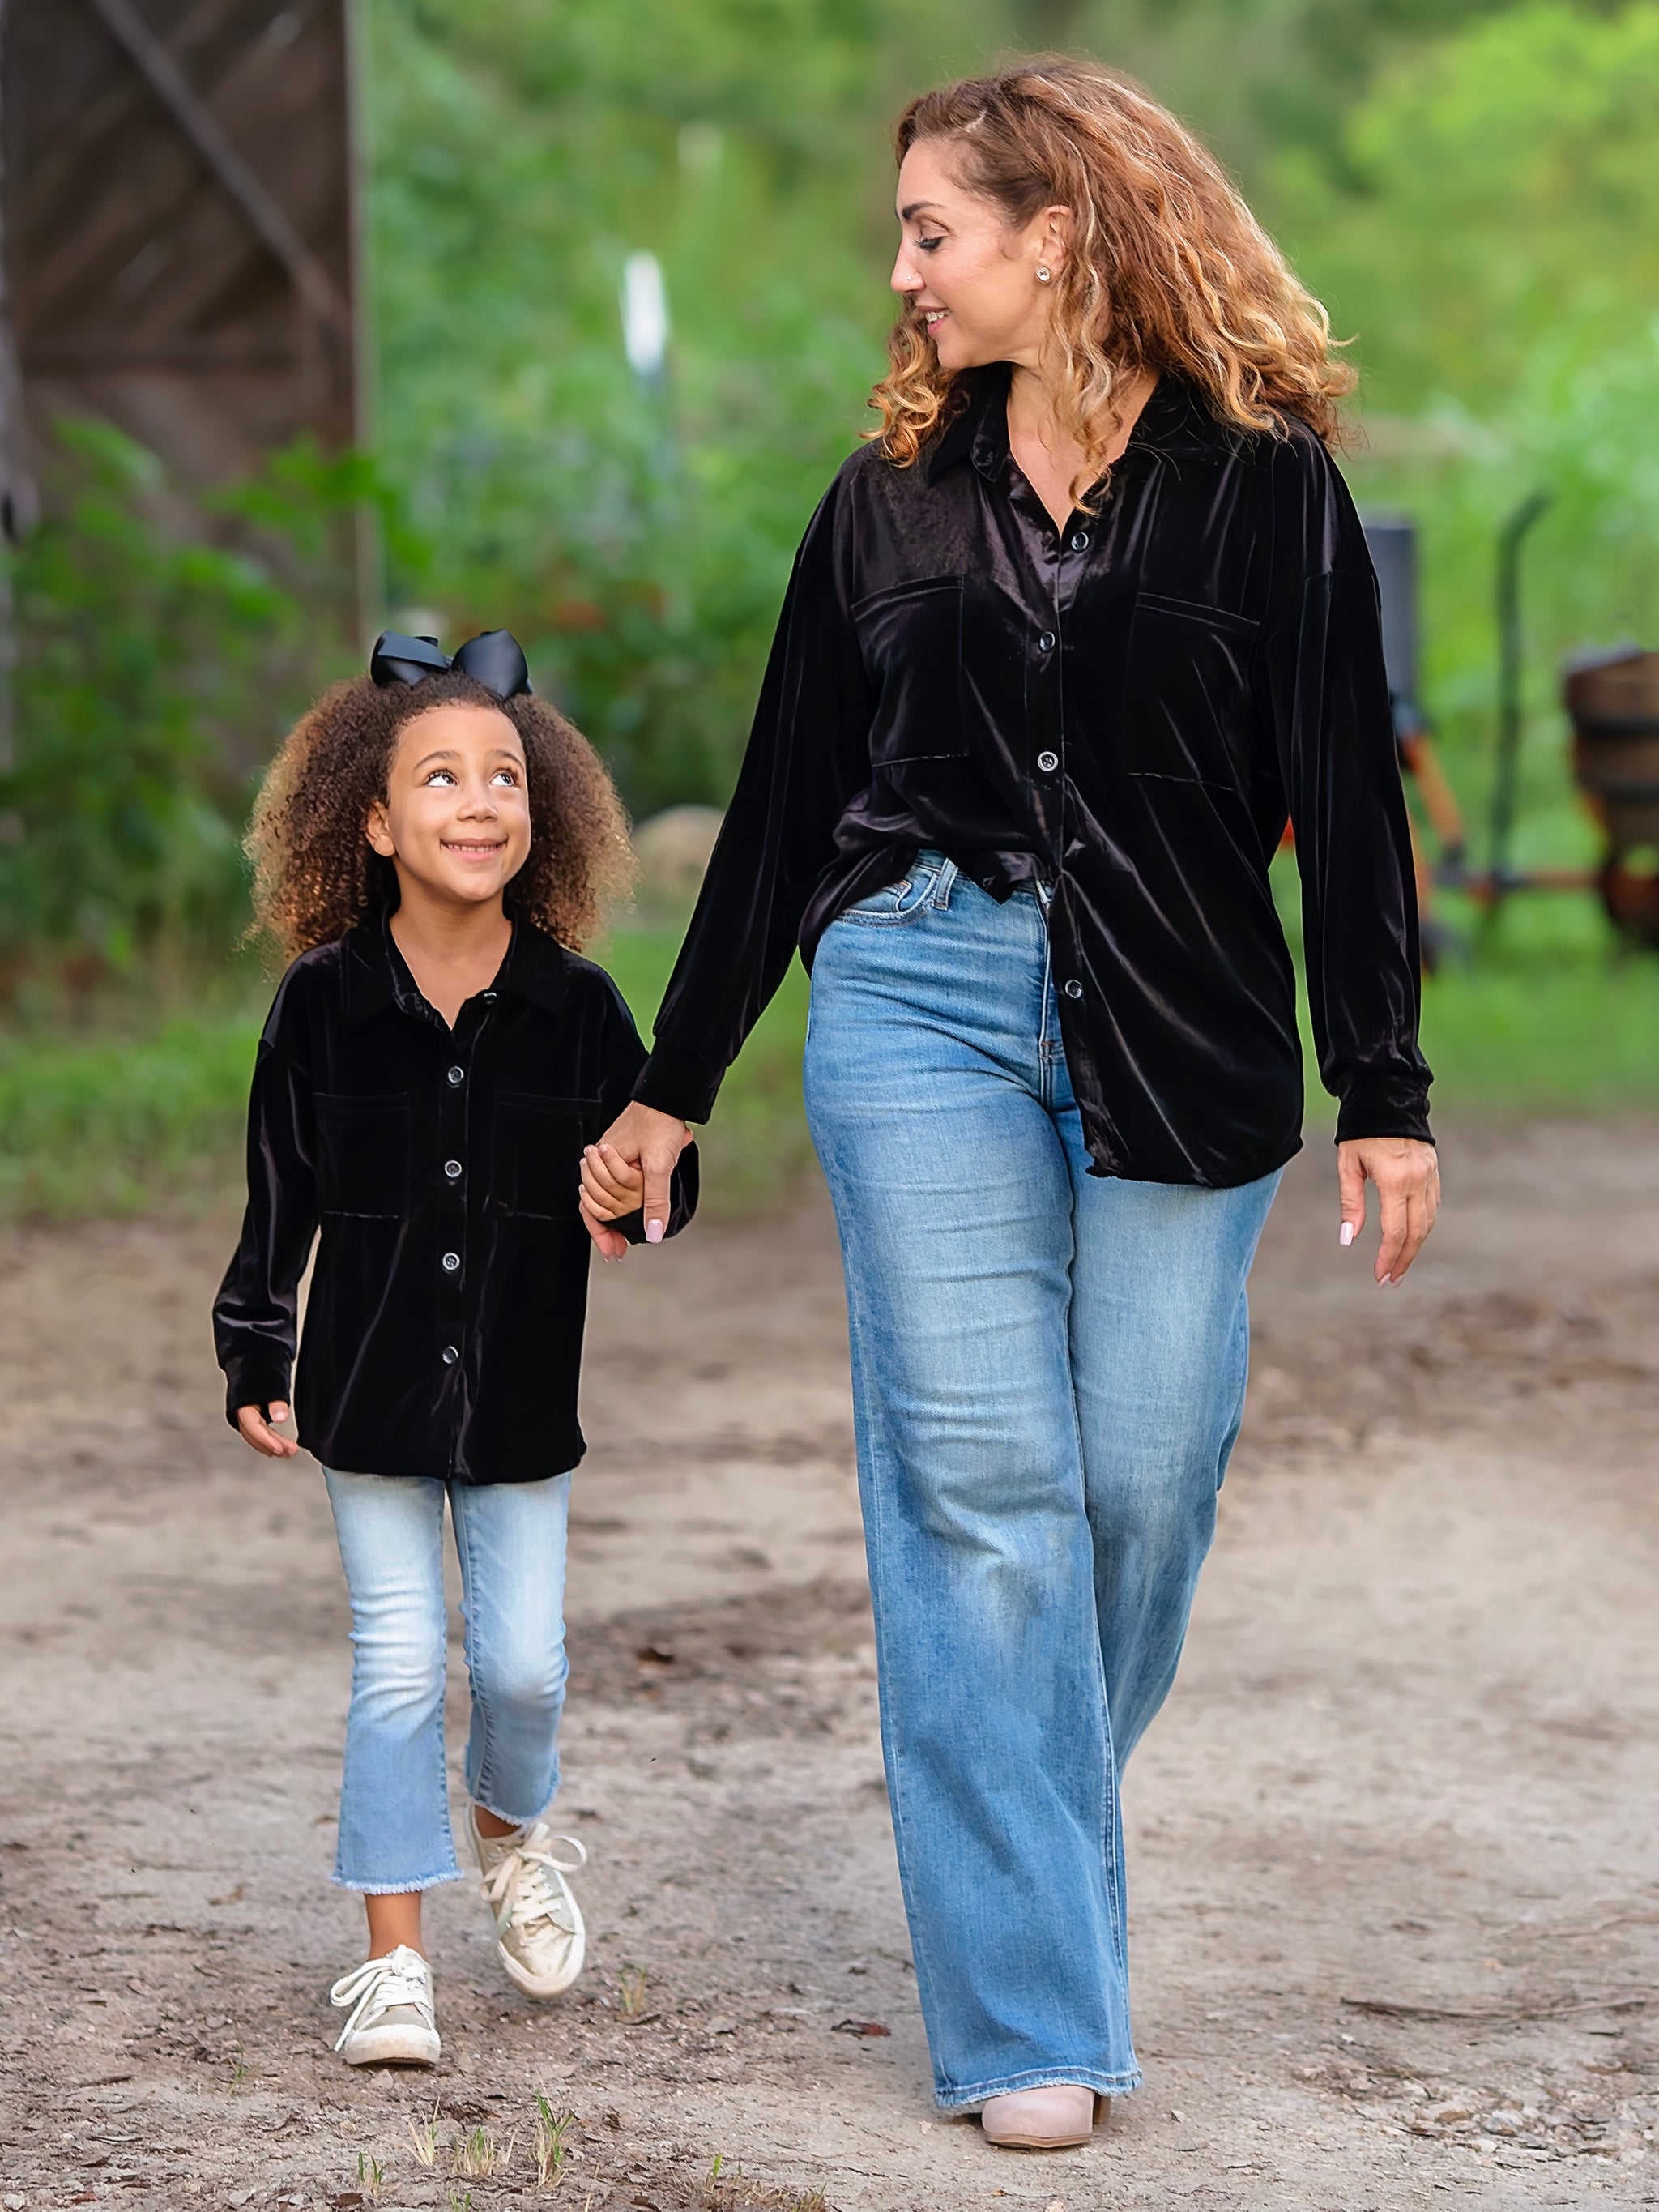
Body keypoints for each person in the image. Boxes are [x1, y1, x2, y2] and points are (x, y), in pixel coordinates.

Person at [578, 60, 1439, 2152]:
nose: (902, 271)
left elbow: (1343, 784)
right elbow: (783, 808)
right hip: (917, 999)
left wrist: (1384, 1086)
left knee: (1137, 1480)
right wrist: (667, 1085)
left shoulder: (1268, 490)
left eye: (928, 232)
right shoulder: (884, 501)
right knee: (981, 1490)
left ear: (1058, 232)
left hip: (1188, 1023)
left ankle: (1013, 1800)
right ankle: (1030, 2011)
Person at [214, 629, 696, 2067]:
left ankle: (508, 1835)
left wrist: (635, 1193)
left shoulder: (582, 1008)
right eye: (441, 776)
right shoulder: (320, 1000)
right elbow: (276, 1197)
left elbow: (657, 1174)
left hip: (523, 1399)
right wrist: (257, 1345)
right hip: (363, 1393)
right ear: (371, 820)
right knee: (398, 1668)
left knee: (529, 1669)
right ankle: (393, 1965)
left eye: (505, 775)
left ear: (540, 811)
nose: (480, 800)